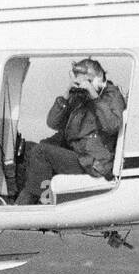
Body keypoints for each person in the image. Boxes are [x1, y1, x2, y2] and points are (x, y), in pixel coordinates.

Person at [16, 58, 127, 205]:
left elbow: (112, 125)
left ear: (98, 79)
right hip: (78, 152)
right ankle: (28, 199)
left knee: (41, 152)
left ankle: (39, 203)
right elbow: (53, 123)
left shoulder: (111, 96)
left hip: (93, 160)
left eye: (85, 81)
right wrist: (67, 94)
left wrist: (94, 95)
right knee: (27, 149)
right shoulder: (80, 96)